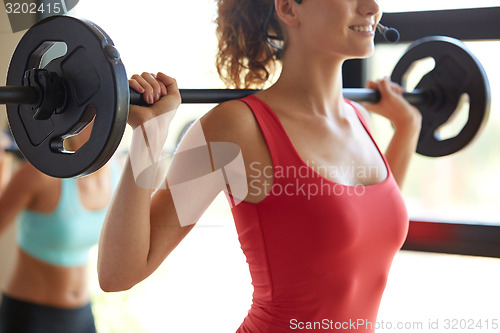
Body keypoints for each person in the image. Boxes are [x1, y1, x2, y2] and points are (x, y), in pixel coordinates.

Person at [98, 0, 422, 332]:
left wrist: (408, 129)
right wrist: (149, 138)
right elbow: (118, 272)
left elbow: (363, 225)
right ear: (289, 9)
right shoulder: (235, 129)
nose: (372, 7)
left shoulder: (360, 119)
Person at [0, 120, 118, 333]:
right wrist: (2, 165)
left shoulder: (117, 171)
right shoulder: (40, 174)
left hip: (82, 315)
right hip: (31, 317)